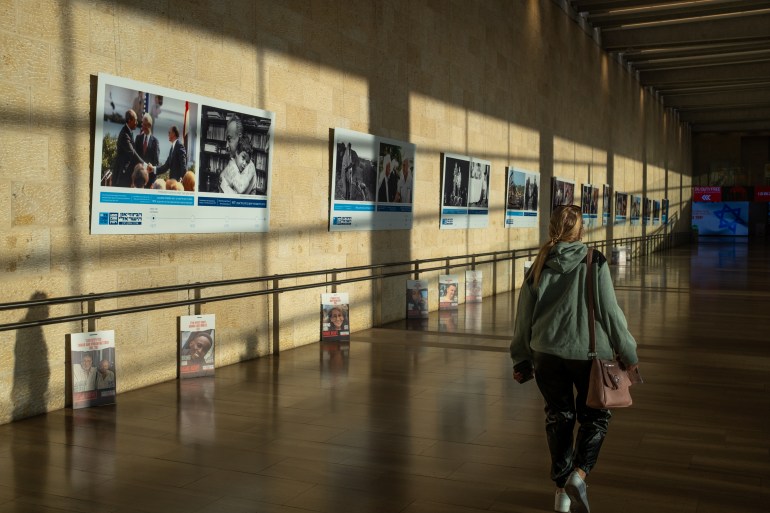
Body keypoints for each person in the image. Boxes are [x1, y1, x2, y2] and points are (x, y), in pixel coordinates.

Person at [510, 204, 639, 513]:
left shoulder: (539, 264)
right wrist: (629, 352)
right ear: (580, 230)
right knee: (596, 416)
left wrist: (521, 358)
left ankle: (561, 495)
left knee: (559, 417)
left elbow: (522, 318)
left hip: (545, 355)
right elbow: (610, 313)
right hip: (589, 356)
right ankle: (579, 475)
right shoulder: (594, 261)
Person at [111, 109, 144, 188]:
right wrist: (144, 165)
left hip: (125, 175)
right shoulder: (125, 135)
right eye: (135, 120)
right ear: (129, 120)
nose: (137, 123)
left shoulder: (129, 132)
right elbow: (132, 152)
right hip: (121, 176)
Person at [133, 113, 160, 187]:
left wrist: (153, 182)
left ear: (150, 126)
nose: (143, 126)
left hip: (149, 181)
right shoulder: (138, 138)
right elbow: (134, 158)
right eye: (142, 124)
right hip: (137, 179)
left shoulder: (155, 142)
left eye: (145, 125)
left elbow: (156, 163)